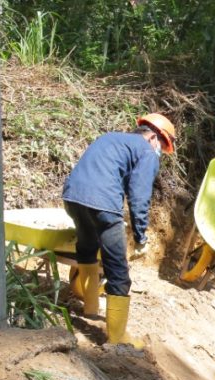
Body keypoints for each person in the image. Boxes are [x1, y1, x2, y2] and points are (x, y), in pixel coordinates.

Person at [62, 112, 176, 347]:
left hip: (72, 197)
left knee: (87, 247)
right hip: (102, 203)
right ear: (155, 139)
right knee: (118, 271)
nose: (159, 154)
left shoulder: (111, 138)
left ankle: (91, 308)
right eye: (162, 148)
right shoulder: (146, 151)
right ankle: (117, 338)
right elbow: (139, 195)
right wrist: (140, 236)